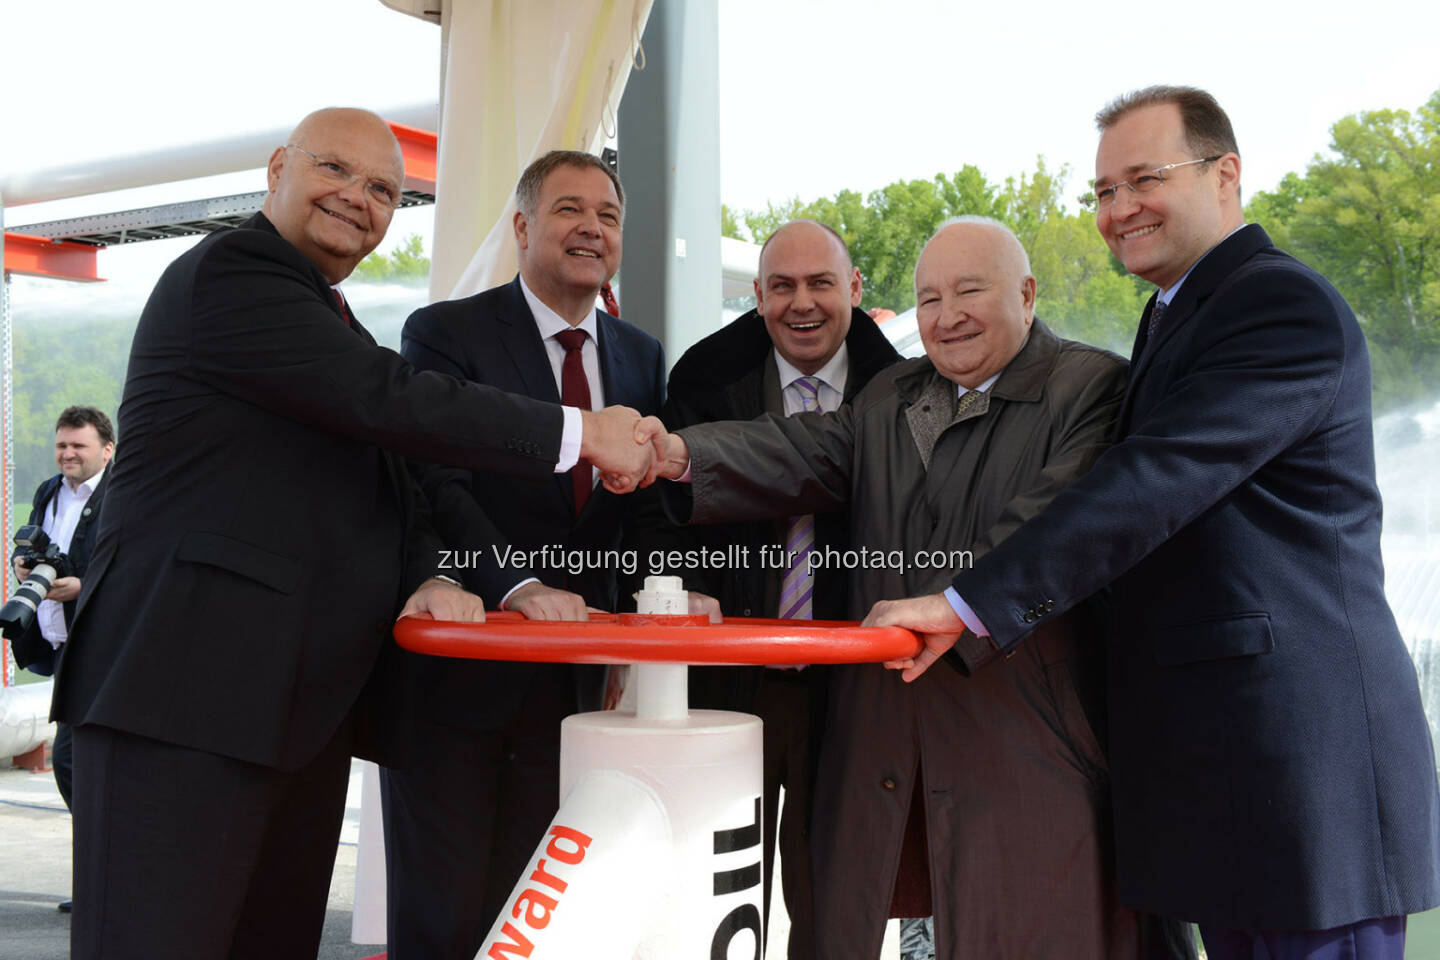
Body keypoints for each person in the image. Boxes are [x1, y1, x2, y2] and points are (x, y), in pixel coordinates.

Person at [51, 108, 661, 960]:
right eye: (335, 169)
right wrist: (581, 433)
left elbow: (401, 486)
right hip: (183, 704)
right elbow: (394, 402)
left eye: (382, 187)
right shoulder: (233, 275)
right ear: (276, 169)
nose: (358, 198)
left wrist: (430, 575)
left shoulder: (332, 320)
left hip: (295, 720)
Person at [865, 86, 1440, 959]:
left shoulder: (1278, 307)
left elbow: (1154, 483)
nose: (1118, 209)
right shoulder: (1178, 314)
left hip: (1304, 780)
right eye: (1101, 191)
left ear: (1226, 174)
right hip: (1234, 781)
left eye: (1143, 179)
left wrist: (967, 603)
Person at [650, 218, 1187, 959]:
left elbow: (1057, 536)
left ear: (1027, 295)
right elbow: (801, 449)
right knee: (863, 921)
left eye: (970, 290)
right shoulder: (891, 394)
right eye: (929, 297)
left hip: (1021, 734)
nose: (946, 315)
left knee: (1029, 926)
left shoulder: (1090, 386)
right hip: (884, 734)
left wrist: (963, 607)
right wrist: (678, 453)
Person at [380, 150, 666, 960]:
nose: (591, 228)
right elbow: (437, 480)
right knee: (445, 918)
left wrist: (657, 598)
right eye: (570, 209)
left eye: (608, 216)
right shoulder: (446, 333)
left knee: (546, 911)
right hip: (458, 684)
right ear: (521, 227)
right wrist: (517, 584)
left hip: (574, 692)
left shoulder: (642, 355)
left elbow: (641, 510)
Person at [638, 218, 899, 959]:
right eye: (781, 286)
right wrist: (677, 585)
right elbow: (653, 511)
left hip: (849, 685)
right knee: (712, 882)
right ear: (756, 296)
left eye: (821, 283)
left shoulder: (903, 388)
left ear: (854, 288)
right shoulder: (704, 377)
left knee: (833, 898)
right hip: (729, 676)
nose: (802, 303)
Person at [8, 405, 115, 912]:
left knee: (74, 762)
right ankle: (103, 879)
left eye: (79, 446)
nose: (68, 454)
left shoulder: (124, 496)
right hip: (63, 645)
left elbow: (135, 566)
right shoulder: (51, 491)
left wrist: (83, 587)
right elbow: (37, 542)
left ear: (107, 449)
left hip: (104, 646)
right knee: (78, 766)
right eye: (62, 445)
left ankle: (107, 882)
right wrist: (24, 563)